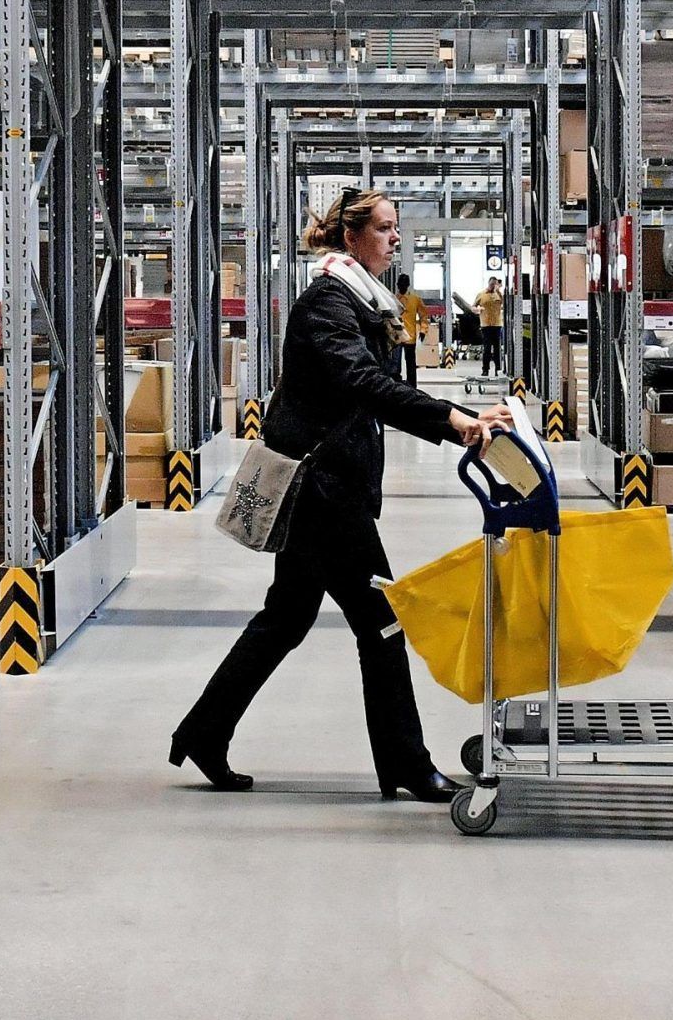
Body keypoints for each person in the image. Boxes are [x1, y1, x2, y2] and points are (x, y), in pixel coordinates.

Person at [171, 189, 513, 804]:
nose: (395, 237)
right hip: (321, 493)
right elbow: (363, 382)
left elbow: (371, 390)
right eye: (384, 228)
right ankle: (406, 762)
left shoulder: (362, 298)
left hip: (325, 486)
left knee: (285, 618)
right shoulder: (329, 302)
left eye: (396, 227)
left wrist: (453, 417)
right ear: (352, 238)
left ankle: (204, 731)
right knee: (383, 622)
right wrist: (453, 418)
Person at [394, 272, 428, 385]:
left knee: (411, 364)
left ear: (408, 285)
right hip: (396, 337)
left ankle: (412, 386)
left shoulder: (415, 299)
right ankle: (396, 385)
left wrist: (423, 330)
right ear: (397, 285)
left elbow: (424, 316)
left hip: (410, 336)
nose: (402, 287)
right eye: (401, 284)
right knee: (395, 364)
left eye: (404, 284)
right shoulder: (393, 299)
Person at [473, 280, 505, 371]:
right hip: (485, 325)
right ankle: (485, 369)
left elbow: (505, 304)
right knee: (487, 348)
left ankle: (498, 368)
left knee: (497, 348)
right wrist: (477, 310)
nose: (492, 286)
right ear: (488, 283)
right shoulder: (481, 294)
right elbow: (473, 306)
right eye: (491, 284)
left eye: (494, 284)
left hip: (497, 325)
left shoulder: (499, 295)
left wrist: (498, 291)